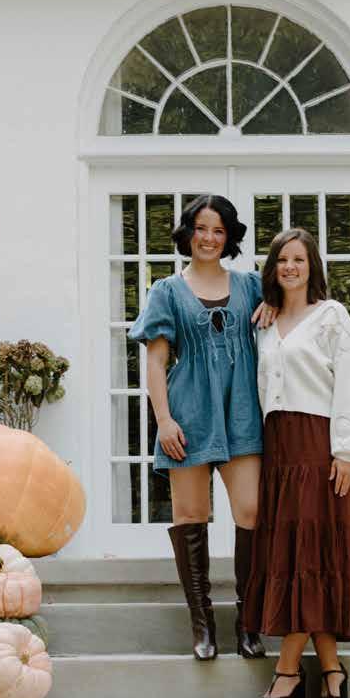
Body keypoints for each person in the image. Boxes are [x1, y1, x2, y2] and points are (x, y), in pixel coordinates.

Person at [129, 194, 272, 662]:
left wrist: (275, 310)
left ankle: (249, 623)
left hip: (242, 413)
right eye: (201, 228)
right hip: (187, 415)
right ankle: (203, 625)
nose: (209, 238)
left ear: (229, 237)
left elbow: (289, 316)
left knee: (251, 511)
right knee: (191, 515)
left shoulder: (251, 285)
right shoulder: (166, 291)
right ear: (188, 232)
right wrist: (164, 420)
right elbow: (155, 362)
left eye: (218, 230)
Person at [244, 227, 350, 698]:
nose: (290, 267)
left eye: (298, 259)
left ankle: (288, 671)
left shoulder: (332, 316)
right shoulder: (265, 321)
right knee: (295, 557)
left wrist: (348, 451)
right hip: (278, 450)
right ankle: (332, 669)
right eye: (282, 259)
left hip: (320, 447)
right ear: (273, 268)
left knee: (312, 556)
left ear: (312, 265)